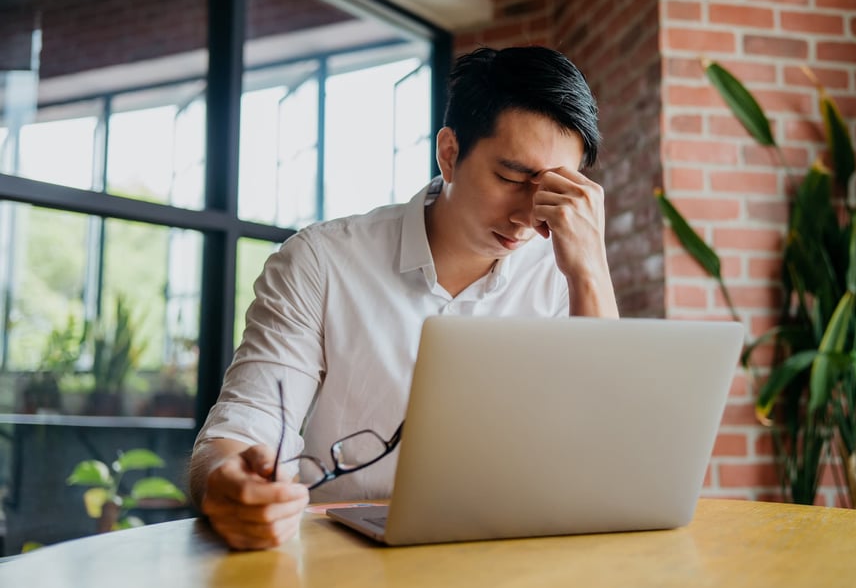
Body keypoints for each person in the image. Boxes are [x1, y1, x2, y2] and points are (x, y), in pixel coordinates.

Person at [189, 45, 619, 550]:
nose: (529, 216)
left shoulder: (564, 277)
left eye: (554, 191)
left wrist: (590, 270)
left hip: (514, 556)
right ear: (449, 153)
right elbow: (240, 429)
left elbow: (607, 462)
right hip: (346, 556)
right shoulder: (321, 262)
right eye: (511, 179)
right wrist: (227, 485)